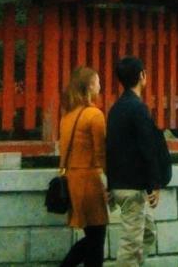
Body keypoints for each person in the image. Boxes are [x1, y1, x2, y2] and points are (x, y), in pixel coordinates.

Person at [105, 55, 169, 266]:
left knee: (148, 233)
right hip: (133, 189)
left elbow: (110, 148)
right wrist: (154, 185)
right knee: (130, 248)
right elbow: (147, 149)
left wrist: (110, 184)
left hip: (120, 185)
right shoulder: (138, 109)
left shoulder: (114, 110)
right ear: (142, 76)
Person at [57, 65, 108, 267]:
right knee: (97, 239)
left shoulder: (67, 117)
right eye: (97, 82)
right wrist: (111, 182)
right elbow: (101, 154)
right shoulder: (95, 115)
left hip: (73, 180)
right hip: (90, 181)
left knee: (92, 237)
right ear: (89, 86)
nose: (100, 86)